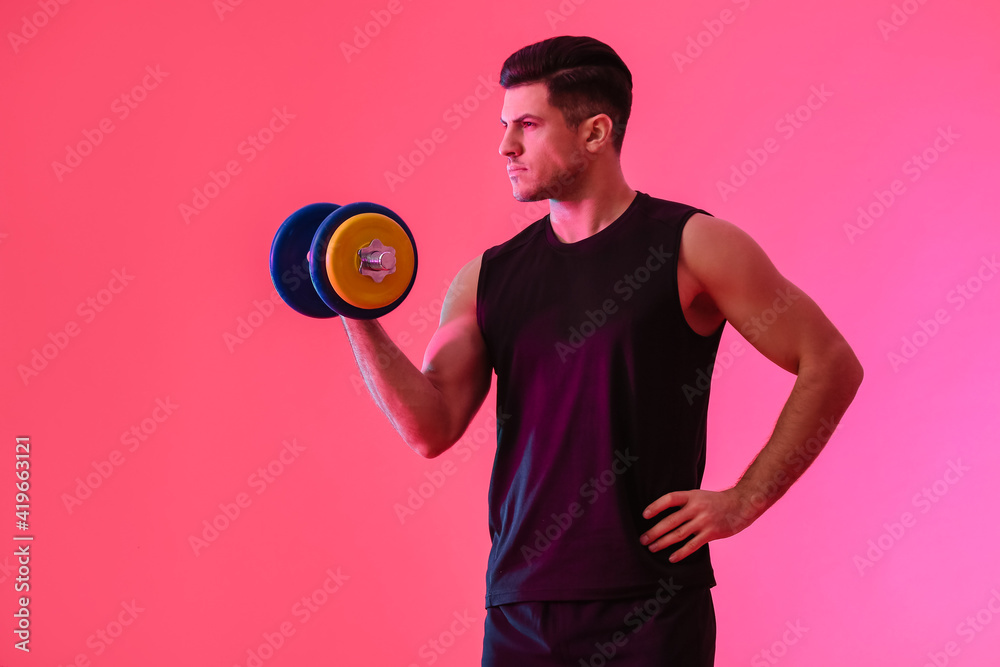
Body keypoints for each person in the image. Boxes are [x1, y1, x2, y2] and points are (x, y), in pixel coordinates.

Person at [341, 35, 863, 666]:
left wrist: (744, 499)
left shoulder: (695, 247)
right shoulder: (487, 278)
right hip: (521, 607)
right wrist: (355, 311)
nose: (505, 147)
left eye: (527, 126)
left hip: (652, 604)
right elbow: (430, 425)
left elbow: (830, 362)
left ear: (595, 132)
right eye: (505, 126)